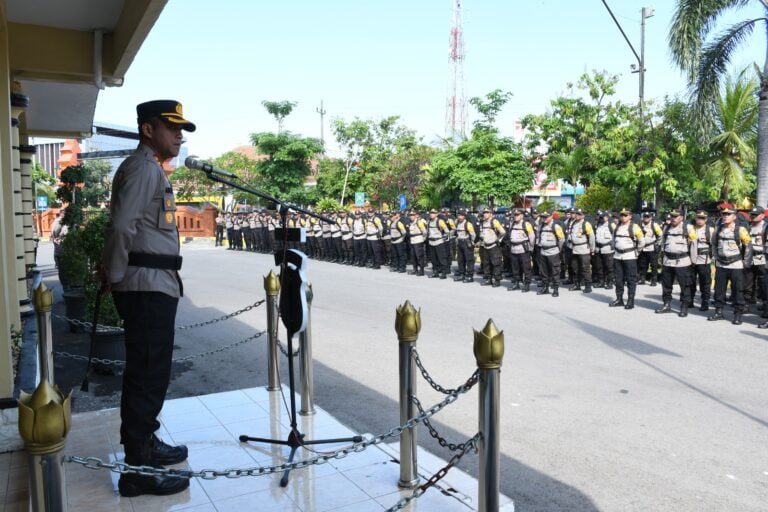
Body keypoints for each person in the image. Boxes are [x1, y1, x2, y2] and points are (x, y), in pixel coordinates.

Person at [101, 100, 193, 497]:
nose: (179, 134)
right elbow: (123, 225)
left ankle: (146, 444)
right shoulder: (143, 169)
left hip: (155, 283)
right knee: (146, 375)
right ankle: (136, 469)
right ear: (147, 129)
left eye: (181, 128)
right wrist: (115, 275)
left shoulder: (150, 167)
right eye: (171, 127)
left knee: (150, 371)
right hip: (145, 285)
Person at [708, 207, 752, 324]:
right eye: (724, 214)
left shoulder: (740, 230)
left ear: (734, 216)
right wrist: (716, 257)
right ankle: (718, 312)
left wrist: (746, 262)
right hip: (721, 264)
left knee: (738, 290)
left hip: (736, 264)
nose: (725, 216)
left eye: (728, 214)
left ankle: (737, 314)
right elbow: (713, 244)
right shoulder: (718, 229)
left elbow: (748, 245)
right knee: (719, 290)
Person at [654, 209, 697, 317]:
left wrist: (693, 260)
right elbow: (663, 243)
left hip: (682, 261)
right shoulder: (666, 227)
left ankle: (684, 306)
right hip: (668, 260)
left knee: (685, 285)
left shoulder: (688, 228)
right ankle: (666, 304)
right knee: (666, 285)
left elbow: (693, 245)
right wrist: (661, 257)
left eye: (676, 216)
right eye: (672, 216)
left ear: (682, 217)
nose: (673, 218)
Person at [610, 208, 645, 309]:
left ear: (630, 216)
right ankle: (619, 299)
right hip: (617, 256)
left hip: (629, 256)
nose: (623, 217)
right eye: (621, 215)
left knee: (631, 279)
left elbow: (641, 241)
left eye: (625, 215)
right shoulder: (617, 227)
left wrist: (636, 252)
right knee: (618, 279)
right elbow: (613, 240)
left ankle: (630, 301)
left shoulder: (635, 227)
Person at [535, 210, 565, 296]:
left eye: (546, 217)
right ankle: (545, 288)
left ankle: (555, 290)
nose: (544, 218)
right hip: (543, 251)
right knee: (544, 271)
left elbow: (561, 239)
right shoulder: (541, 226)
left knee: (555, 271)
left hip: (553, 252)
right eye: (543, 217)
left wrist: (557, 248)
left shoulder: (556, 226)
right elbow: (538, 237)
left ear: (551, 216)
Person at [744, 207, 767, 313]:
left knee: (763, 282)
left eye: (755, 215)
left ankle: (765, 304)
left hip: (762, 257)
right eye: (752, 214)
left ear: (762, 215)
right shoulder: (748, 226)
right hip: (750, 257)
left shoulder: (765, 227)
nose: (753, 216)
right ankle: (746, 303)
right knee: (748, 281)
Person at [567, 208, 595, 292]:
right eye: (576, 214)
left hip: (584, 249)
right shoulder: (573, 223)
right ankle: (577, 284)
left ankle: (588, 286)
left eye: (579, 214)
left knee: (585, 268)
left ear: (583, 215)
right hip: (574, 249)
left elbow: (591, 237)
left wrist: (592, 249)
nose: (577, 215)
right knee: (575, 268)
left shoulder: (586, 224)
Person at [507, 208, 535, 292]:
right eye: (514, 215)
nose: (515, 216)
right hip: (514, 249)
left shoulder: (526, 224)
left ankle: (527, 284)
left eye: (517, 215)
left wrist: (530, 248)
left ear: (522, 215)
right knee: (515, 268)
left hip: (523, 249)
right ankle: (516, 283)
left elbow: (532, 237)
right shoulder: (512, 224)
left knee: (526, 268)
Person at [479, 207, 506, 287]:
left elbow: (503, 232)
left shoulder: (494, 221)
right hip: (485, 246)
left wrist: (498, 240)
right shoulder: (483, 222)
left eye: (487, 212)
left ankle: (497, 280)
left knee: (496, 263)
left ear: (491, 214)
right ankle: (488, 279)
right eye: (484, 212)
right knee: (486, 263)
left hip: (493, 246)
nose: (485, 214)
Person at [638, 212, 663, 285]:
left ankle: (654, 280)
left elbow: (660, 235)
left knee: (654, 265)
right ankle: (642, 279)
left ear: (651, 217)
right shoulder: (640, 225)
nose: (646, 218)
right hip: (643, 248)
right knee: (643, 265)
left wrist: (657, 244)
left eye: (648, 217)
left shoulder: (654, 225)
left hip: (652, 248)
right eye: (645, 216)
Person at [453, 209, 477, 282]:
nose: (459, 217)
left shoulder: (468, 224)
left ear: (464, 216)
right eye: (459, 215)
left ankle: (470, 276)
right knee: (460, 260)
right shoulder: (457, 223)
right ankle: (462, 274)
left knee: (469, 260)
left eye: (461, 215)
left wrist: (472, 243)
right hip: (460, 242)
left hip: (467, 243)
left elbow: (473, 235)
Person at [593, 210, 615, 288]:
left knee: (609, 267)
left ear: (607, 217)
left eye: (603, 217)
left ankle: (610, 283)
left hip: (608, 249)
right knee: (599, 267)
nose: (601, 218)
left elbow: (615, 236)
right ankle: (601, 282)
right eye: (600, 217)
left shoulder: (611, 225)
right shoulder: (598, 224)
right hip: (598, 249)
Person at [426, 209, 450, 278]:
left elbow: (447, 231)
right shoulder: (429, 221)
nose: (431, 214)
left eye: (433, 213)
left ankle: (443, 273)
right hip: (431, 242)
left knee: (441, 258)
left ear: (437, 214)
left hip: (439, 242)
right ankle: (435, 272)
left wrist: (444, 238)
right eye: (431, 213)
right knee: (433, 259)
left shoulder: (440, 221)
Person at [407, 209, 428, 276]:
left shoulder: (419, 222)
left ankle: (421, 270)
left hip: (418, 240)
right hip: (412, 240)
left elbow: (424, 232)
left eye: (413, 215)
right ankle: (415, 269)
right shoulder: (410, 222)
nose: (411, 216)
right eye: (410, 215)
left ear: (416, 216)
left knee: (419, 256)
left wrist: (422, 239)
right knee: (413, 256)